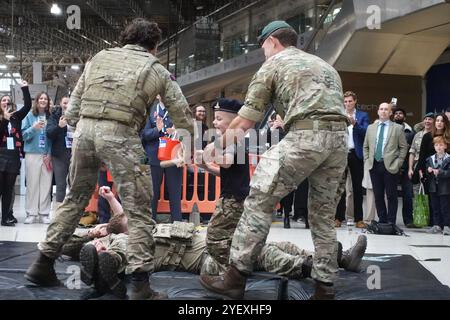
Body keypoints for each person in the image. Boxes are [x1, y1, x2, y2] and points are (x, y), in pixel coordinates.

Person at [24, 18, 194, 300]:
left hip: (84, 133)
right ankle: (140, 284)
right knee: (139, 210)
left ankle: (42, 263)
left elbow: (74, 109)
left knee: (74, 199)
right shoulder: (156, 68)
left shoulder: (98, 58)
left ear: (126, 37)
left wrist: (93, 143)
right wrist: (189, 147)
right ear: (154, 46)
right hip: (122, 134)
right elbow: (182, 114)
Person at [199, 21, 349, 300]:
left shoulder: (274, 64)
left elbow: (244, 121)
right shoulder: (325, 66)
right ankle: (324, 288)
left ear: (272, 42)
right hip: (339, 142)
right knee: (323, 217)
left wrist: (213, 148)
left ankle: (234, 277)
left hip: (306, 136)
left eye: (262, 47)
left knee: (258, 199)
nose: (263, 53)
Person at [61, 186, 368, 298]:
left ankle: (338, 259)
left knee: (272, 243)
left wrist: (113, 200)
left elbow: (122, 217)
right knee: (256, 253)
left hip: (207, 238)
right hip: (201, 259)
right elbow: (79, 241)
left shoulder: (141, 225)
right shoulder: (125, 240)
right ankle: (314, 268)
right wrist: (94, 239)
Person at [195, 98, 250, 273]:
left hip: (233, 200)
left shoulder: (234, 139)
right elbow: (227, 171)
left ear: (233, 121)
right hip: (233, 197)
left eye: (219, 118)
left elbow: (226, 162)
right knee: (231, 238)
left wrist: (206, 155)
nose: (213, 122)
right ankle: (233, 269)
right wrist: (207, 167)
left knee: (214, 237)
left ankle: (229, 272)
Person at [363, 103, 408, 224]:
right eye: (381, 109)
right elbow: (366, 146)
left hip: (390, 165)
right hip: (374, 164)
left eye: (386, 109)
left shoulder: (397, 128)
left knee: (391, 195)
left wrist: (398, 163)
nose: (383, 111)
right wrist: (367, 160)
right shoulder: (371, 128)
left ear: (390, 113)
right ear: (378, 112)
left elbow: (403, 147)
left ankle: (391, 222)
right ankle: (382, 220)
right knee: (378, 195)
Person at [142, 94, 183, 222]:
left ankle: (177, 223)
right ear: (158, 96)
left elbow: (189, 132)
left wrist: (178, 132)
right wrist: (157, 130)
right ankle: (150, 222)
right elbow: (144, 134)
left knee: (175, 192)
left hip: (174, 155)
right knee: (153, 192)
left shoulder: (178, 110)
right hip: (154, 156)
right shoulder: (149, 111)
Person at [335, 91, 369, 229]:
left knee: (357, 188)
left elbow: (366, 132)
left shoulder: (362, 115)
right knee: (340, 188)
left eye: (350, 101)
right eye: (345, 101)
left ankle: (359, 219)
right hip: (341, 153)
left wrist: (355, 124)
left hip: (356, 154)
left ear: (355, 101)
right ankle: (338, 218)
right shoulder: (338, 115)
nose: (348, 103)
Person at [0, 80, 31, 226]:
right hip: (1, 155)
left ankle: (5, 217)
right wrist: (4, 121)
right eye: (3, 100)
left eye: (8, 100)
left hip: (13, 156)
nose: (6, 102)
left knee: (8, 189)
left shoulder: (16, 117)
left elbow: (28, 106)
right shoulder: (2, 120)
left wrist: (24, 88)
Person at [22, 92, 53, 224]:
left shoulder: (51, 117)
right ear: (37, 100)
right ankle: (31, 213)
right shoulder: (30, 115)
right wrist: (33, 128)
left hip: (47, 155)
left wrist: (50, 154)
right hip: (32, 154)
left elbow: (53, 137)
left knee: (46, 185)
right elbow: (23, 135)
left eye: (45, 98)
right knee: (32, 184)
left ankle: (44, 213)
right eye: (41, 98)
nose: (43, 100)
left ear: (48, 102)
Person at [46, 95, 72, 214]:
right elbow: (49, 134)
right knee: (61, 185)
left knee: (74, 185)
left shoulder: (77, 117)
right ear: (61, 104)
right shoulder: (54, 116)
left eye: (69, 103)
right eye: (65, 103)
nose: (67, 105)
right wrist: (59, 126)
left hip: (74, 156)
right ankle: (59, 214)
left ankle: (73, 213)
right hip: (59, 156)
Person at [393, 107, 415, 227]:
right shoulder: (390, 130)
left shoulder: (411, 133)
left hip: (407, 167)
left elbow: (414, 150)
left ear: (404, 117)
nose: (398, 115)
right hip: (392, 166)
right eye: (396, 113)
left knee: (407, 195)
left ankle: (408, 220)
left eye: (400, 113)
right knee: (392, 195)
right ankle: (391, 220)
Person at [425, 136, 450, 235]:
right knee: (435, 207)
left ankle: (447, 226)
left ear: (445, 146)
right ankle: (437, 225)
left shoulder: (448, 159)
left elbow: (448, 173)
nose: (438, 147)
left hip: (445, 187)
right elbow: (427, 171)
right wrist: (428, 171)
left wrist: (439, 172)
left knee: (445, 207)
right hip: (433, 187)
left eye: (441, 145)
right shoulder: (430, 159)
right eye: (436, 145)